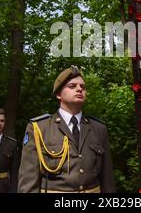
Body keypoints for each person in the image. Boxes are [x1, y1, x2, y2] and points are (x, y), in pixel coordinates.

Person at [18, 65, 116, 193]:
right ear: (59, 94)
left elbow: (107, 179)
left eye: (83, 87)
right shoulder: (39, 128)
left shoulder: (98, 128)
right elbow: (28, 183)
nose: (79, 89)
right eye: (72, 86)